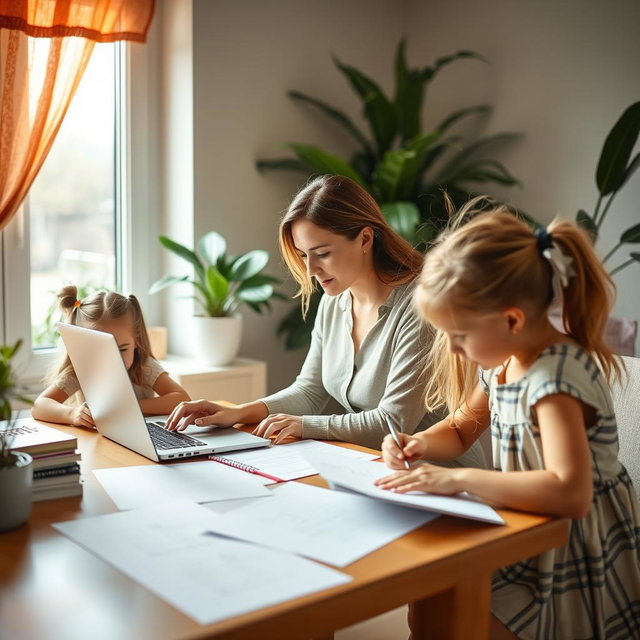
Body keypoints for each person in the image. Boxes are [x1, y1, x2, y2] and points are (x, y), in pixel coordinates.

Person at [376, 206, 640, 640]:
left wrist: (458, 481)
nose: (455, 350)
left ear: (512, 319)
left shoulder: (554, 380)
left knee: (470, 617)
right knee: (429, 602)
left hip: (572, 544)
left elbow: (570, 493)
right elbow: (461, 428)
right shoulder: (503, 361)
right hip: (527, 523)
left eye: (459, 336)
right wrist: (417, 442)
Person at [165, 175, 484, 467]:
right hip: (373, 467)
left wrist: (305, 426)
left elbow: (391, 423)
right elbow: (311, 390)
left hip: (443, 479)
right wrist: (239, 412)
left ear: (365, 239)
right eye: (303, 255)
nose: (310, 270)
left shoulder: (420, 308)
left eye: (322, 253)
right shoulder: (335, 300)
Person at [32, 286, 190, 429]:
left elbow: (181, 398)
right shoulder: (80, 371)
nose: (114, 360)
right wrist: (72, 414)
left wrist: (130, 407)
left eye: (122, 349)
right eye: (98, 350)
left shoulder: (143, 367)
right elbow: (40, 406)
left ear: (137, 341)